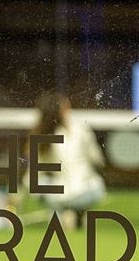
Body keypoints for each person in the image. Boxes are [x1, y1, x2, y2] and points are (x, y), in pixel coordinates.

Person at [23, 92, 106, 229]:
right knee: (95, 182)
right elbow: (97, 159)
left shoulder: (41, 137)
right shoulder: (82, 129)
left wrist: (19, 194)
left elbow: (31, 175)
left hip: (58, 198)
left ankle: (57, 215)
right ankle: (77, 213)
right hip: (88, 193)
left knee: (39, 181)